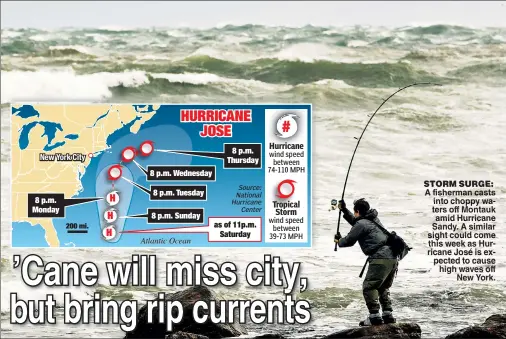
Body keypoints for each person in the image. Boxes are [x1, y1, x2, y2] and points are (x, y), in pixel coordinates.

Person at [334, 198, 398, 326]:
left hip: (380, 258)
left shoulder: (362, 224)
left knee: (369, 287)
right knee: (382, 286)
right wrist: (344, 210)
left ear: (357, 211)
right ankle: (388, 314)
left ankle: (374, 316)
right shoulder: (373, 219)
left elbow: (349, 241)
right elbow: (357, 223)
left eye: (354, 212)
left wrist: (339, 241)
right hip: (392, 256)